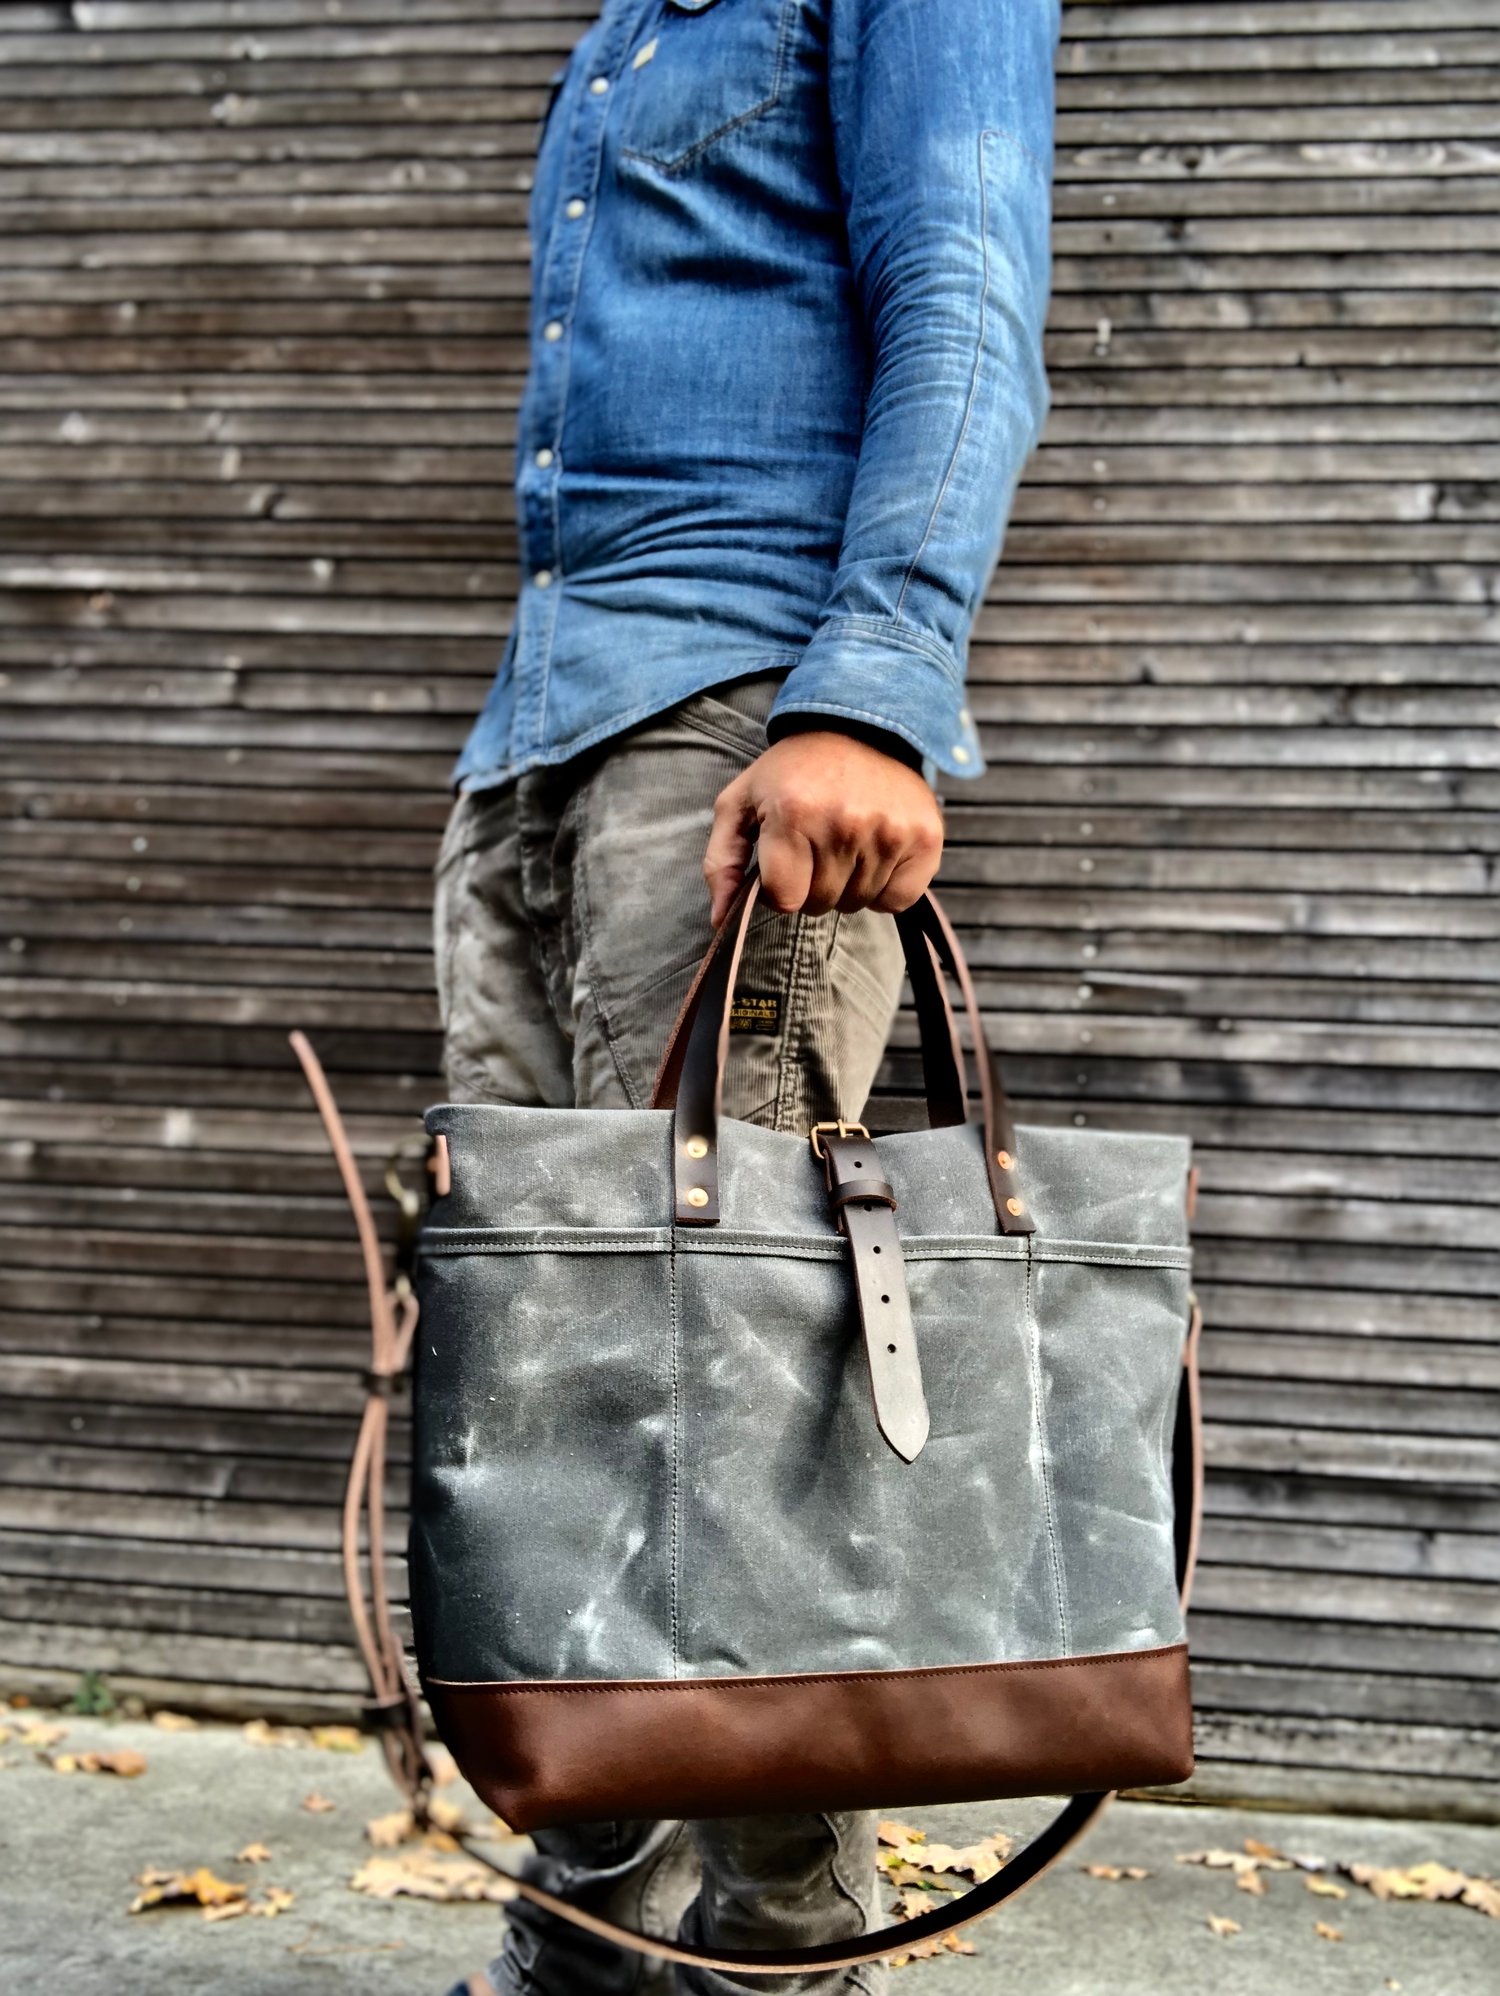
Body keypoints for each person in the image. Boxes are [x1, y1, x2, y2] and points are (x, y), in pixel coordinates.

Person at [434, 2, 1059, 1989]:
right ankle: (586, 1929)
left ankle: (781, 1953)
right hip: (538, 744)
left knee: (742, 1371)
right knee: (545, 1375)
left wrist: (874, 693)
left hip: (739, 736)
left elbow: (968, 291)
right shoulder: (631, 29)